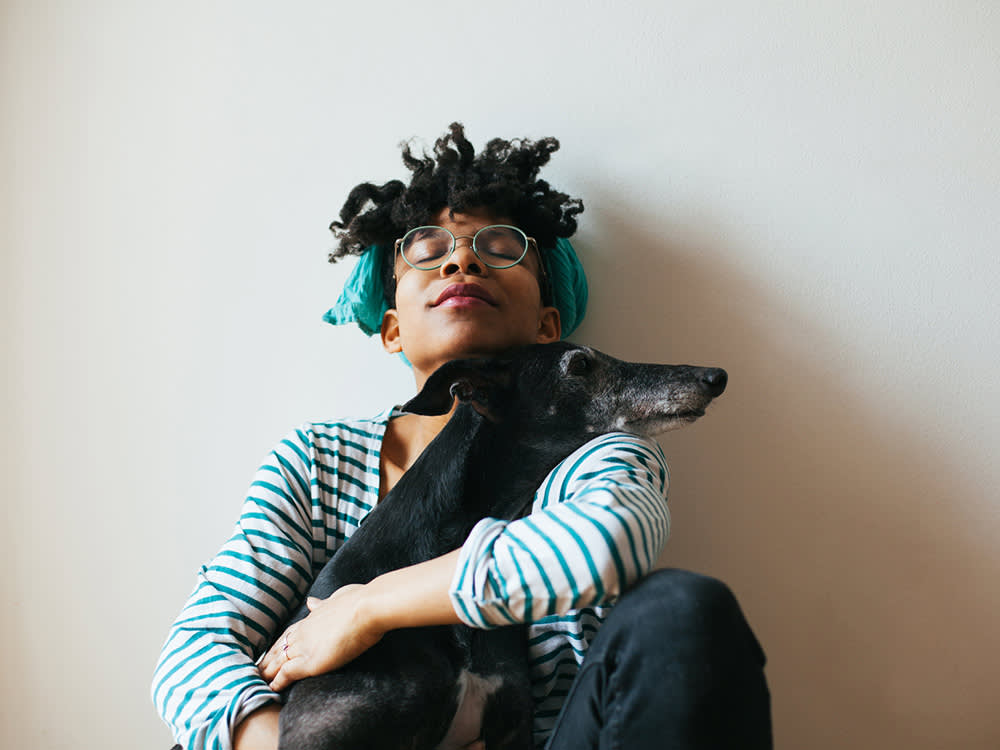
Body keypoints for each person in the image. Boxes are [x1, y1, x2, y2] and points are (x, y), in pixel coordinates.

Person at [152, 123, 772, 750]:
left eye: (501, 247)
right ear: (392, 328)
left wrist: (367, 606)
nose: (462, 258)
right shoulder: (317, 461)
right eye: (427, 249)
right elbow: (195, 651)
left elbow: (606, 546)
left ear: (547, 328)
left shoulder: (598, 449)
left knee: (681, 610)